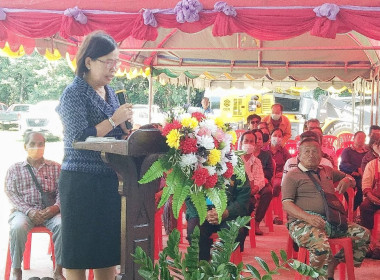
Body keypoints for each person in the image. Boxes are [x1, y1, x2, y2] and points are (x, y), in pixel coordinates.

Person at [56, 31, 133, 280]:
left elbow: (114, 133)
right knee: (77, 249)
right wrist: (113, 119)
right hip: (80, 180)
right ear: (88, 62)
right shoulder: (73, 93)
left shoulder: (110, 92)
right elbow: (78, 138)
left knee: (105, 249)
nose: (113, 68)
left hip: (110, 178)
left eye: (117, 62)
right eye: (108, 62)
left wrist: (126, 129)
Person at [282, 138, 370, 280]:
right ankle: (318, 277)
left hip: (332, 219)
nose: (311, 154)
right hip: (302, 222)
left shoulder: (327, 171)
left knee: (363, 235)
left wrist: (348, 180)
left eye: (315, 151)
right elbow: (286, 204)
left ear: (321, 155)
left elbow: (351, 179)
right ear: (298, 155)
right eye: (307, 151)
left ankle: (332, 264)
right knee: (320, 246)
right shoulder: (292, 175)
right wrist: (308, 217)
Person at [4, 132, 64, 280]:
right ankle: (16, 269)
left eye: (40, 144)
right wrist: (29, 211)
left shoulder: (56, 167)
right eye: (32, 144)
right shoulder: (15, 169)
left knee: (63, 225)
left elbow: (63, 192)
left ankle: (58, 270)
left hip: (50, 211)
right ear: (25, 146)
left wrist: (55, 208)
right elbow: (11, 193)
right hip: (23, 212)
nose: (37, 147)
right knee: (17, 227)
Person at [185, 174, 250, 261]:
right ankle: (202, 267)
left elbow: (243, 201)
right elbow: (188, 197)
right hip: (201, 213)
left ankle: (222, 267)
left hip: (230, 215)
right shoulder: (194, 166)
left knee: (232, 233)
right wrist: (205, 212)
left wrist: (227, 212)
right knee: (195, 233)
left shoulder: (237, 169)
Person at [250, 129, 274, 235]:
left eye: (260, 138)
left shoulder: (266, 155)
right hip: (249, 182)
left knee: (268, 191)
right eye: (256, 138)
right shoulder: (245, 154)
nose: (258, 141)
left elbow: (269, 171)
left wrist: (263, 179)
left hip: (262, 180)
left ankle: (256, 222)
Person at [339, 131, 367, 211]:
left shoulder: (366, 153)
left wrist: (361, 172)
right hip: (350, 175)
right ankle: (350, 209)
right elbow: (343, 165)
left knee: (364, 188)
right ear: (354, 139)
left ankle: (352, 209)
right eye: (359, 137)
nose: (361, 140)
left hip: (363, 176)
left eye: (363, 138)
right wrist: (356, 169)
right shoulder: (347, 151)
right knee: (347, 186)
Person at [240, 131, 266, 215]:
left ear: (255, 144)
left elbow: (261, 180)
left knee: (250, 203)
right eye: (246, 141)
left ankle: (244, 226)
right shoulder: (234, 159)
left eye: (251, 142)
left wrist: (255, 188)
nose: (248, 144)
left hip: (250, 192)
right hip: (236, 191)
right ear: (241, 143)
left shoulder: (257, 161)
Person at [269, 128, 291, 224]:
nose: (277, 138)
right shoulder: (265, 150)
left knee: (277, 184)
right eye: (275, 135)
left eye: (279, 136)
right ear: (270, 136)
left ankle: (277, 214)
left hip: (279, 176)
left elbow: (290, 163)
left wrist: (283, 172)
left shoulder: (283, 151)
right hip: (268, 175)